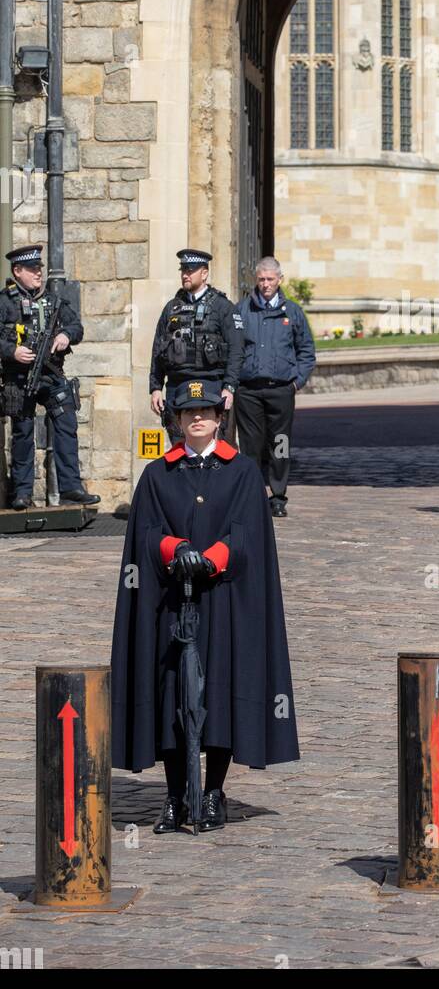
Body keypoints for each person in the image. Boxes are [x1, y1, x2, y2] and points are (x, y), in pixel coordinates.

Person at [110, 379, 300, 833]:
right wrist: (173, 549)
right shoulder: (158, 474)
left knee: (218, 694)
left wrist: (213, 558)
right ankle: (175, 797)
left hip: (223, 602)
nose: (198, 418)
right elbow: (145, 533)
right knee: (172, 695)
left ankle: (213, 792)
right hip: (171, 604)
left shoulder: (242, 471)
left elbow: (247, 532)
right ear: (176, 420)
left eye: (207, 411)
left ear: (219, 418)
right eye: (188, 412)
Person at [0, 244, 99, 509]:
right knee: (23, 433)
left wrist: (66, 335)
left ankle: (71, 488)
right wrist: (12, 351)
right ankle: (22, 492)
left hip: (52, 375)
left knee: (66, 426)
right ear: (17, 271)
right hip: (20, 378)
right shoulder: (5, 302)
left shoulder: (53, 301)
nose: (38, 273)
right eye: (32, 269)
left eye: (40, 268)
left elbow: (76, 326)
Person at [234, 257, 316, 519]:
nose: (266, 284)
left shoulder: (292, 312)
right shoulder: (242, 311)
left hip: (281, 390)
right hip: (248, 391)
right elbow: (232, 348)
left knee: (279, 445)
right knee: (251, 446)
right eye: (261, 279)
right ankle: (253, 495)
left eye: (270, 279)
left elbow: (306, 350)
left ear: (280, 279)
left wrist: (297, 381)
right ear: (255, 280)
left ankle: (278, 496)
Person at [149, 248, 245, 441]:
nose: (185, 274)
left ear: (204, 273)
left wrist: (229, 387)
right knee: (179, 446)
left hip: (212, 385)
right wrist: (155, 387)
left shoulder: (223, 307)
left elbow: (236, 350)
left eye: (190, 270)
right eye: (183, 270)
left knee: (216, 447)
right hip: (177, 386)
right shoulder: (171, 308)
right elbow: (158, 350)